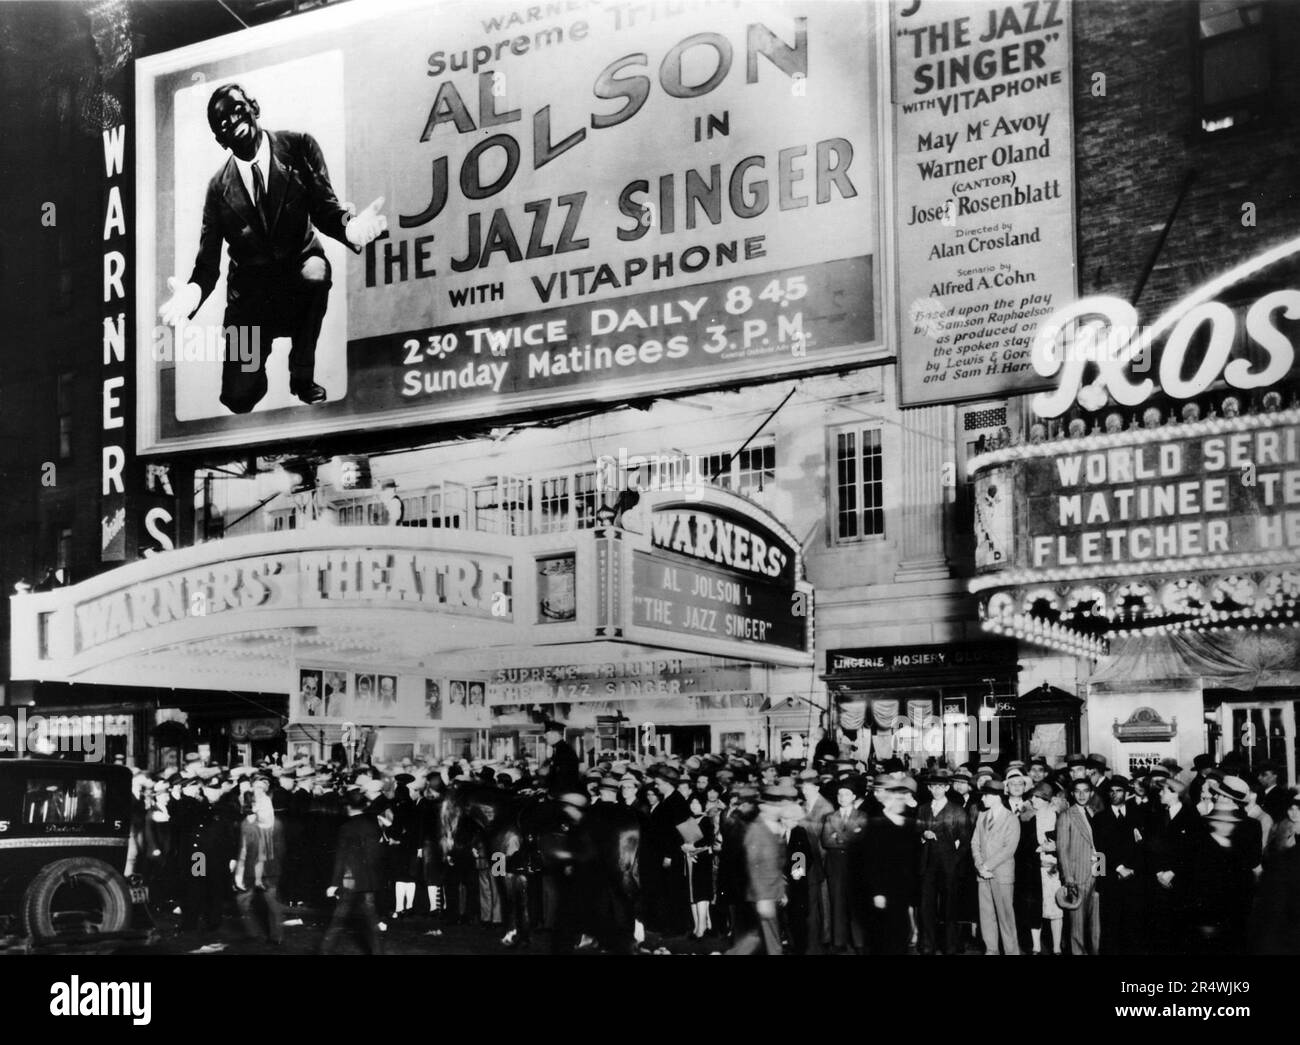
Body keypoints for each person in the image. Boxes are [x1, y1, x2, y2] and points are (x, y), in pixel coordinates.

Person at [158, 84, 388, 413]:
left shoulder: (299, 147)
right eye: (222, 122)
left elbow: (325, 208)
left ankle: (301, 373)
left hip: (298, 277)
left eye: (237, 109)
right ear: (220, 140)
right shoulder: (217, 189)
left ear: (255, 107)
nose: (233, 120)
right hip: (250, 304)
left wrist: (351, 227)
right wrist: (192, 293)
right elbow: (208, 264)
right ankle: (254, 371)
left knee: (316, 272)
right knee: (239, 398)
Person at [321, 790, 386, 955]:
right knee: (372, 920)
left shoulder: (346, 828)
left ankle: (324, 951)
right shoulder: (373, 825)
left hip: (350, 880)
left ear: (348, 807)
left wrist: (334, 884)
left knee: (338, 919)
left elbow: (341, 857)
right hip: (369, 879)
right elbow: (377, 854)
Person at [862, 775, 921, 955]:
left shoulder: (907, 825)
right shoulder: (875, 825)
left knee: (900, 938)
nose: (901, 802)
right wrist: (877, 892)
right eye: (897, 798)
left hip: (902, 891)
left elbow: (913, 861)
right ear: (888, 800)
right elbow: (871, 863)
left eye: (903, 797)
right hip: (884, 892)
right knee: (884, 939)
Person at [727, 788, 788, 955]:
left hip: (773, 891)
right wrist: (762, 898)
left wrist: (782, 890)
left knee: (762, 937)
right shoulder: (757, 830)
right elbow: (754, 866)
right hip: (761, 894)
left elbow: (783, 862)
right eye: (776, 806)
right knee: (764, 937)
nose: (780, 809)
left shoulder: (778, 827)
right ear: (764, 808)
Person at [917, 767, 971, 955]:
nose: (937, 790)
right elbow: (915, 834)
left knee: (949, 908)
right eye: (933, 786)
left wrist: (953, 860)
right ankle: (927, 945)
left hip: (949, 866)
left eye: (941, 786)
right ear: (929, 788)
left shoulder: (957, 811)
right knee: (926, 907)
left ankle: (950, 946)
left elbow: (965, 842)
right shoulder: (922, 809)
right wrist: (923, 836)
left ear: (947, 788)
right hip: (927, 865)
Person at [1142, 775, 1198, 954]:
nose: (1160, 793)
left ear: (1175, 794)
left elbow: (1193, 851)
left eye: (1164, 790)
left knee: (1180, 930)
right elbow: (1149, 848)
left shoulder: (1191, 817)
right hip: (1157, 881)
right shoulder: (1155, 816)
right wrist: (1159, 872)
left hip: (1180, 882)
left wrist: (1173, 871)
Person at [1094, 776, 1144, 954]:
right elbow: (1099, 850)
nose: (1114, 794)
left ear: (1127, 793)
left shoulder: (1138, 815)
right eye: (1111, 791)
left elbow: (1142, 848)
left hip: (1133, 878)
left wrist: (1134, 869)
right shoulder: (1100, 818)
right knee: (1110, 925)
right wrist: (1118, 868)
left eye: (1119, 791)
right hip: (1111, 879)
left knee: (1132, 925)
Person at [971, 777, 1020, 955]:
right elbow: (974, 843)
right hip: (982, 874)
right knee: (986, 914)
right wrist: (979, 866)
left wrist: (986, 866)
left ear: (996, 797)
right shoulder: (982, 816)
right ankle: (991, 949)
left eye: (985, 796)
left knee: (1005, 916)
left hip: (1001, 874)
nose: (982, 799)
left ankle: (1011, 951)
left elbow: (1009, 849)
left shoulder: (1011, 819)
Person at [821, 777, 869, 953]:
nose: (841, 797)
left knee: (855, 904)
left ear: (854, 797)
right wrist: (849, 834)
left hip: (854, 864)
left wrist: (838, 836)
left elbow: (860, 838)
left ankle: (858, 942)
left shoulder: (862, 816)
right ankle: (838, 941)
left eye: (846, 794)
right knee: (837, 903)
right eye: (839, 794)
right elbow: (826, 841)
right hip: (835, 865)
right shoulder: (830, 817)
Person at [233, 790, 286, 945]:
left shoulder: (248, 825)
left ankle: (253, 933)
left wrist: (239, 873)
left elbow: (244, 850)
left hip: (252, 869)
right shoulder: (277, 823)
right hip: (272, 870)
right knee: (273, 904)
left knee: (243, 900)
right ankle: (277, 936)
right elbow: (282, 849)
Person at [1057, 778, 1102, 955]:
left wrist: (1101, 873)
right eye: (1078, 791)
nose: (1082, 795)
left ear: (1091, 793)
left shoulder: (1096, 813)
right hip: (1077, 876)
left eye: (1086, 791)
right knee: (1076, 924)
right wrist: (1068, 878)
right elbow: (1062, 850)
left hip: (1096, 874)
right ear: (1072, 793)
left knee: (1095, 924)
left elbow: (1100, 846)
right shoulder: (1066, 815)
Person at [797, 768, 833, 953]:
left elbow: (824, 836)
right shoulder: (801, 806)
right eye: (803, 785)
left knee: (823, 899)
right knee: (807, 899)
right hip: (802, 859)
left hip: (820, 858)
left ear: (817, 787)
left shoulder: (825, 807)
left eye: (809, 786)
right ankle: (810, 936)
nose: (805, 789)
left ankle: (825, 937)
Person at [1030, 782, 1064, 955]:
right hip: (1036, 868)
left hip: (1054, 869)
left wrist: (1056, 850)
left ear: (1047, 800)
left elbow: (1066, 843)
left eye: (1038, 797)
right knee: (1035, 908)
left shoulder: (1058, 816)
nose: (1033, 800)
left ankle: (1057, 946)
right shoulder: (1029, 818)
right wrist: (1039, 852)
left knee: (1056, 906)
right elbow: (1026, 846)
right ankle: (1036, 945)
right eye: (1033, 796)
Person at [682, 794, 717, 940]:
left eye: (697, 803)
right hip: (689, 859)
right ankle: (697, 925)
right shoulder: (688, 820)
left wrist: (693, 847)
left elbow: (709, 840)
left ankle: (702, 926)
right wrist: (685, 848)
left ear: (702, 805)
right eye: (692, 803)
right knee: (692, 894)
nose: (694, 806)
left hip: (702, 860)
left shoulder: (706, 820)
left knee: (701, 892)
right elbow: (682, 840)